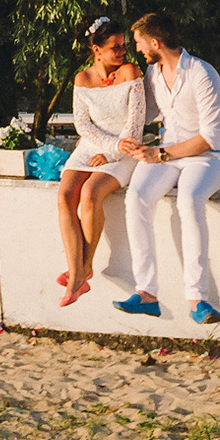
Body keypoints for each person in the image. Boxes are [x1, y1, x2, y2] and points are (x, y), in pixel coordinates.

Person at [113, 13, 220, 325]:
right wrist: (125, 140)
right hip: (167, 154)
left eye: (139, 43)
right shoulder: (153, 73)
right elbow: (147, 113)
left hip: (209, 159)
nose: (137, 50)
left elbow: (209, 137)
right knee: (136, 197)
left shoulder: (203, 74)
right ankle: (147, 294)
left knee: (189, 201)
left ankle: (197, 298)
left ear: (155, 42)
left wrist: (160, 154)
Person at [54, 17, 144, 308]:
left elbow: (136, 123)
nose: (122, 52)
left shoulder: (131, 72)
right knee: (66, 195)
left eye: (123, 46)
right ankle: (79, 269)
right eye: (115, 47)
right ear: (96, 49)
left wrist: (115, 150)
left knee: (90, 194)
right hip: (90, 147)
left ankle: (80, 273)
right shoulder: (82, 79)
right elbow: (83, 125)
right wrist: (104, 146)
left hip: (125, 149)